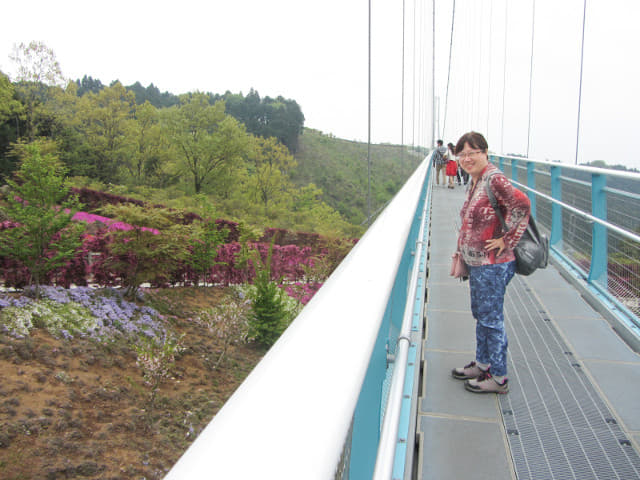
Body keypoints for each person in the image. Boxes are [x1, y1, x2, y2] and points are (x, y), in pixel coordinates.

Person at [450, 131, 531, 394]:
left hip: (493, 264)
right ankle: (482, 364)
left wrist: (507, 240)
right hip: (478, 264)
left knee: (491, 319)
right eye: (462, 154)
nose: (466, 158)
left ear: (485, 152)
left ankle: (499, 377)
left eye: (472, 153)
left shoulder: (494, 179)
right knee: (482, 316)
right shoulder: (477, 179)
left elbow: (522, 205)